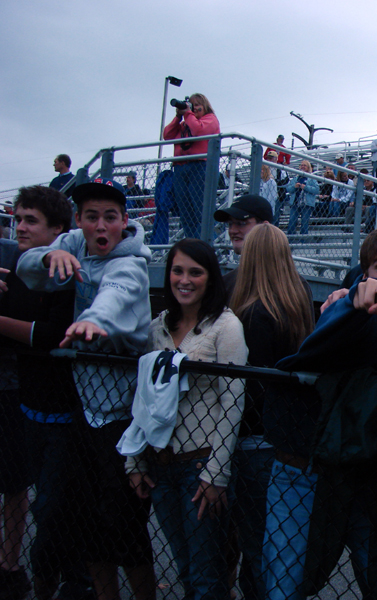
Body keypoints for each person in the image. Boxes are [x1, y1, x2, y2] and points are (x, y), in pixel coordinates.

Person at [16, 177, 155, 600]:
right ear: (77, 221)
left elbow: (115, 291)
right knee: (86, 523)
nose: (100, 226)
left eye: (110, 218)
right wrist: (49, 255)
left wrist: (94, 319)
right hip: (83, 412)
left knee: (125, 526)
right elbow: (27, 266)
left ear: (124, 222)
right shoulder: (74, 242)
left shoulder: (130, 262)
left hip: (123, 418)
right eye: (91, 216)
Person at [275, 225, 377, 600]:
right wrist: (351, 306)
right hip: (326, 470)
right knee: (287, 582)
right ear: (363, 275)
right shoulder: (355, 313)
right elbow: (310, 352)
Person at [126, 239, 247, 600]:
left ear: (210, 278)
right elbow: (142, 400)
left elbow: (233, 403)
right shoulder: (157, 327)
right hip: (160, 465)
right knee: (184, 567)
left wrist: (217, 472)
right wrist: (133, 458)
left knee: (206, 575)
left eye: (196, 272)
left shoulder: (226, 327)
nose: (185, 279)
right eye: (177, 270)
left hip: (200, 463)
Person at [227, 224, 315, 600]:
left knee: (255, 545)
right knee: (279, 544)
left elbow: (248, 389)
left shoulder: (251, 313)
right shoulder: (300, 300)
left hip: (254, 440)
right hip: (291, 438)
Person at [0, 186, 75, 600]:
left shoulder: (63, 272)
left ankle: (34, 574)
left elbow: (49, 337)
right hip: (26, 397)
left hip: (52, 405)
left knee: (46, 503)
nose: (20, 227)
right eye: (18, 218)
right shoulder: (9, 258)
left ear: (59, 229)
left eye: (31, 221)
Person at [163, 93, 220, 239]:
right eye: (190, 106)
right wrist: (178, 117)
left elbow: (198, 130)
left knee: (201, 211)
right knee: (186, 212)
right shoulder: (185, 123)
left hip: (200, 166)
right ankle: (192, 243)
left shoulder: (210, 119)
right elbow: (167, 135)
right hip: (181, 168)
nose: (192, 109)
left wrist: (188, 114)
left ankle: (207, 245)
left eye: (195, 106)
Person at [212, 194, 274, 295]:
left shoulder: (290, 284)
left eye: (242, 223)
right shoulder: (227, 284)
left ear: (265, 226)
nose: (232, 230)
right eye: (230, 224)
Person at [285, 160, 319, 236]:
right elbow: (288, 189)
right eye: (301, 165)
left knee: (304, 222)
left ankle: (303, 240)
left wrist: (305, 187)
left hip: (306, 204)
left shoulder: (312, 178)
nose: (302, 166)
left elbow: (316, 190)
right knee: (292, 220)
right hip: (295, 203)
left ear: (308, 167)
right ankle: (291, 239)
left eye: (305, 165)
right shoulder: (295, 178)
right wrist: (295, 187)